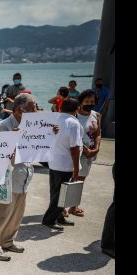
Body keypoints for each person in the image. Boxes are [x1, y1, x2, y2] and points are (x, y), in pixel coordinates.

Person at [0, 93, 39, 260]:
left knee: (16, 214)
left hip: (23, 177)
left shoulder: (31, 126)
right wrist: (11, 141)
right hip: (7, 180)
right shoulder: (4, 126)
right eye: (34, 107)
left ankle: (7, 241)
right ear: (21, 110)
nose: (37, 110)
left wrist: (51, 133)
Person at [43, 98, 82, 230]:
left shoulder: (56, 120)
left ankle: (59, 217)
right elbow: (75, 148)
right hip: (65, 164)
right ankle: (49, 220)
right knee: (61, 195)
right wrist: (76, 168)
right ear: (77, 109)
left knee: (55, 193)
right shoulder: (73, 123)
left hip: (53, 163)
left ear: (61, 108)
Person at [68, 89, 101, 217]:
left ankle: (73, 206)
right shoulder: (74, 115)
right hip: (76, 152)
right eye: (86, 101)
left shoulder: (96, 115)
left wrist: (96, 148)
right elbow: (70, 133)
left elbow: (98, 133)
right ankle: (61, 207)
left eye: (92, 101)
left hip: (90, 154)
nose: (89, 103)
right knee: (70, 178)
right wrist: (85, 149)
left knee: (80, 180)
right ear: (81, 102)